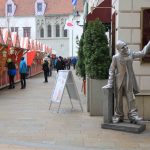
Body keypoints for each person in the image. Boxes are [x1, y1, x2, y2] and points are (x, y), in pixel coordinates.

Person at [103, 40, 150, 123]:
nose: (125, 48)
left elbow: (142, 53)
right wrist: (110, 83)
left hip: (129, 80)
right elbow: (111, 70)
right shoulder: (115, 57)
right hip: (119, 80)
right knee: (118, 99)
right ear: (119, 49)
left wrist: (149, 44)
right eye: (123, 47)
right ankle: (119, 115)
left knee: (131, 97)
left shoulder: (131, 53)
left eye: (125, 45)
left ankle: (133, 116)